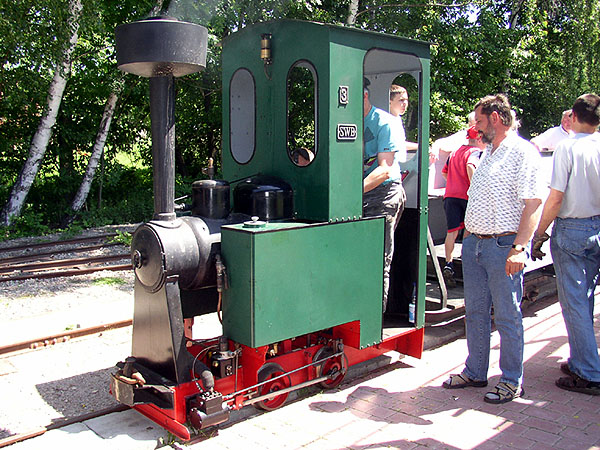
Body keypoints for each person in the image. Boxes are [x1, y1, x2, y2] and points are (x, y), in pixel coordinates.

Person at [442, 94, 543, 404]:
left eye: (480, 121)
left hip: (502, 245)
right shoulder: (488, 152)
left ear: (496, 119)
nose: (476, 127)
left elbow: (533, 203)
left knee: (508, 315)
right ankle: (475, 371)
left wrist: (519, 248)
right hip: (476, 243)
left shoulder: (523, 152)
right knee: (474, 313)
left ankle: (512, 380)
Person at [531, 93, 600, 396]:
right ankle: (580, 358)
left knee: (573, 303)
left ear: (572, 116)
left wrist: (539, 233)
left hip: (572, 228)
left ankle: (588, 372)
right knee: (585, 299)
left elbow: (556, 197)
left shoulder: (567, 148)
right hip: (597, 226)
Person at [363, 78, 406, 312]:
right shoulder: (347, 122)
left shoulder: (384, 123)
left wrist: (352, 192)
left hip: (383, 194)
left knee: (379, 260)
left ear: (365, 96)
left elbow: (384, 168)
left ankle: (374, 319)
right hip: (359, 195)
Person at [440, 126, 485, 287]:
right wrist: (474, 188)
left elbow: (444, 173)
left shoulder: (455, 152)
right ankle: (468, 265)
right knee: (470, 230)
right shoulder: (475, 153)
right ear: (479, 139)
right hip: (467, 196)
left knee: (451, 232)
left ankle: (448, 263)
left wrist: (454, 182)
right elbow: (470, 166)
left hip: (450, 195)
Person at [389, 85, 418, 158]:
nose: (405, 103)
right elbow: (398, 145)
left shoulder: (398, 119)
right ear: (390, 102)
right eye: (401, 100)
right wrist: (422, 147)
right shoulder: (387, 120)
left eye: (406, 100)